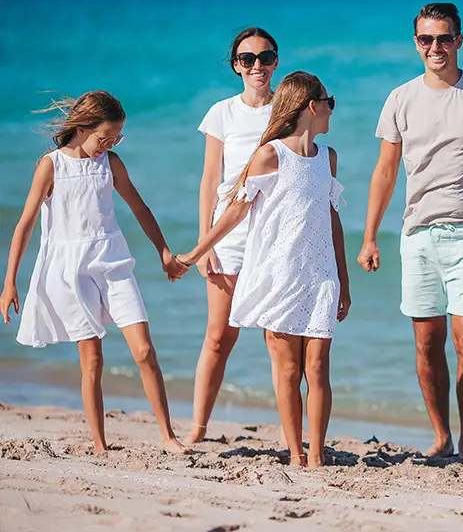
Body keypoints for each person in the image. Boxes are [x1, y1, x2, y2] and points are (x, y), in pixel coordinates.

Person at [357, 2, 463, 462]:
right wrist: (370, 235)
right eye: (426, 39)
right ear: (416, 43)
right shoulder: (400, 98)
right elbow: (385, 171)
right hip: (418, 235)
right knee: (426, 344)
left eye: (444, 38)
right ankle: (441, 436)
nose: (435, 47)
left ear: (459, 40)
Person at [0, 91, 190, 455]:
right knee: (92, 360)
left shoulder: (111, 163)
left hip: (113, 261)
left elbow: (139, 207)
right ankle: (100, 445)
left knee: (145, 351)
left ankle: (167, 436)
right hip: (71, 270)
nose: (110, 144)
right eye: (105, 137)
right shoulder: (52, 165)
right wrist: (10, 282)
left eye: (117, 138)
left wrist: (164, 251)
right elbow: (24, 225)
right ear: (83, 128)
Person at [177, 71, 350, 468]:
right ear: (312, 106)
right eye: (329, 102)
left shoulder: (329, 157)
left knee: (318, 367)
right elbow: (236, 209)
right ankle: (296, 453)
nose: (331, 110)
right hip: (281, 276)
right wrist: (196, 251)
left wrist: (343, 279)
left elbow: (333, 220)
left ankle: (318, 453)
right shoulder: (270, 154)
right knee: (289, 369)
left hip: (321, 275)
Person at [187, 27, 281, 444]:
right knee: (218, 335)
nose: (257, 66)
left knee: (278, 339)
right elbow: (210, 179)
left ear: (275, 61)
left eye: (265, 57)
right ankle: (197, 428)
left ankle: (292, 435)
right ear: (236, 66)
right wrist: (204, 241)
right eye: (248, 59)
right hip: (229, 237)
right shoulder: (222, 112)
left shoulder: (289, 109)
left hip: (277, 236)